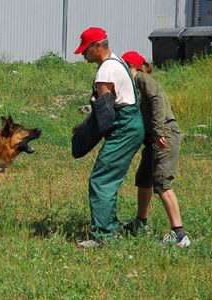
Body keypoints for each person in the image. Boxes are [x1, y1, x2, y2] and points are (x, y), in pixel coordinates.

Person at [73, 28, 144, 248]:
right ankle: (110, 226)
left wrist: (86, 134)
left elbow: (104, 114)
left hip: (123, 128)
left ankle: (103, 235)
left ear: (97, 46)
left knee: (101, 179)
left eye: (86, 50)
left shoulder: (106, 71)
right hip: (131, 124)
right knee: (109, 178)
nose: (83, 54)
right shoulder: (118, 61)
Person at [121, 51, 190, 247]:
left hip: (164, 134)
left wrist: (159, 131)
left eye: (123, 66)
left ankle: (179, 234)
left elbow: (157, 101)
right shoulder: (133, 85)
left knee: (162, 182)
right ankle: (141, 223)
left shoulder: (143, 78)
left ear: (130, 66)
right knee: (144, 179)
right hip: (153, 138)